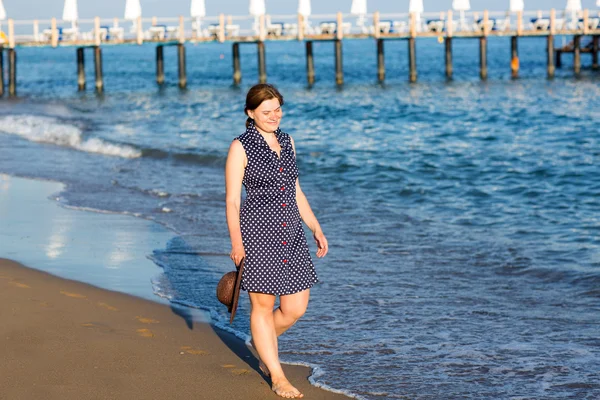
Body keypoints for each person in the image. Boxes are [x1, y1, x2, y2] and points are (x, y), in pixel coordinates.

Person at [225, 84, 328, 399]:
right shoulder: (240, 147)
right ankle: (277, 376)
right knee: (263, 305)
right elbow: (231, 200)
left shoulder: (288, 141)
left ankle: (262, 339)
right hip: (257, 234)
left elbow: (295, 190)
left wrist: (315, 226)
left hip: (292, 234)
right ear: (250, 113)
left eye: (278, 110)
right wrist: (237, 244)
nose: (273, 116)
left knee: (296, 308)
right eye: (266, 111)